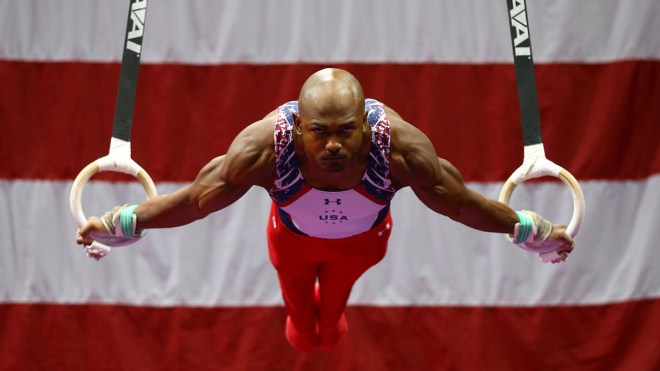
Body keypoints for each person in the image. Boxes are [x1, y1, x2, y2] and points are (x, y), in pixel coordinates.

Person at [76, 68, 574, 352]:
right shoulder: (262, 150)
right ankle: (305, 315)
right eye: (319, 131)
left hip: (361, 248)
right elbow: (194, 201)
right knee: (304, 332)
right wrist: (125, 220)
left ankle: (330, 310)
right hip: (290, 243)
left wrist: (532, 229)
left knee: (326, 331)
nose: (333, 145)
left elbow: (463, 206)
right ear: (296, 128)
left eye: (345, 131)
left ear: (364, 123)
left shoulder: (399, 150)